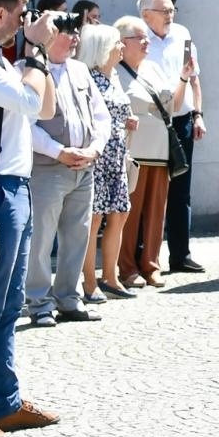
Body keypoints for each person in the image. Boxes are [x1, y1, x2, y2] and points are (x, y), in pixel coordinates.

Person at [0, 0, 60, 437]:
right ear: (0, 14)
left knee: (8, 303)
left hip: (15, 184)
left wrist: (40, 60)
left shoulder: (2, 58)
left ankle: (4, 402)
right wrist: (36, 53)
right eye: (20, 17)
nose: (26, 24)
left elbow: (44, 109)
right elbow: (29, 99)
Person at [25, 16, 110, 326]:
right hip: (48, 168)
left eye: (76, 33)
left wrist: (95, 148)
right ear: (49, 35)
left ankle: (69, 300)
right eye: (67, 33)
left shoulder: (79, 69)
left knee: (78, 236)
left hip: (83, 167)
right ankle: (38, 303)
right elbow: (26, 123)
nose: (75, 38)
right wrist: (59, 151)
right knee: (42, 238)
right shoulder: (33, 69)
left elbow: (101, 116)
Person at [115, 14, 190, 289]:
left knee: (157, 212)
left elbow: (171, 106)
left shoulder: (153, 68)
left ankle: (151, 265)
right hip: (133, 152)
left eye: (147, 37)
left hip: (159, 150)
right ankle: (127, 268)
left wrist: (183, 78)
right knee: (129, 214)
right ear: (122, 42)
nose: (147, 42)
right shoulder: (115, 71)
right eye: (141, 37)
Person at [138, 0, 205, 274]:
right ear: (146, 15)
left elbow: (194, 78)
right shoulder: (136, 38)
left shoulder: (182, 34)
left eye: (171, 10)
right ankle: (141, 256)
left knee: (181, 191)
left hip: (182, 119)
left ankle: (180, 255)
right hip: (150, 122)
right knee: (145, 191)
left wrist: (199, 114)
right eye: (164, 11)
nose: (170, 15)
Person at [78, 24, 137, 301]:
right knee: (94, 218)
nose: (121, 47)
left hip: (117, 154)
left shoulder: (113, 76)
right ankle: (89, 281)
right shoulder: (87, 78)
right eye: (116, 43)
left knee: (119, 213)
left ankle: (110, 277)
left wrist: (127, 124)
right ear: (101, 49)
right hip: (99, 156)